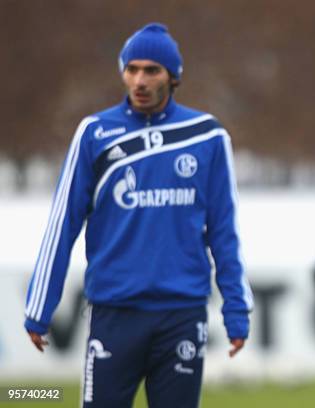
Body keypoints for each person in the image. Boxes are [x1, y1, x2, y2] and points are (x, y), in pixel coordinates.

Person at [24, 23, 253, 407]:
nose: (140, 80)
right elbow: (62, 224)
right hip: (115, 313)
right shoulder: (94, 133)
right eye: (132, 69)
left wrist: (236, 309)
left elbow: (224, 233)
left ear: (174, 76)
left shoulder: (207, 136)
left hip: (182, 314)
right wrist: (39, 307)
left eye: (152, 70)